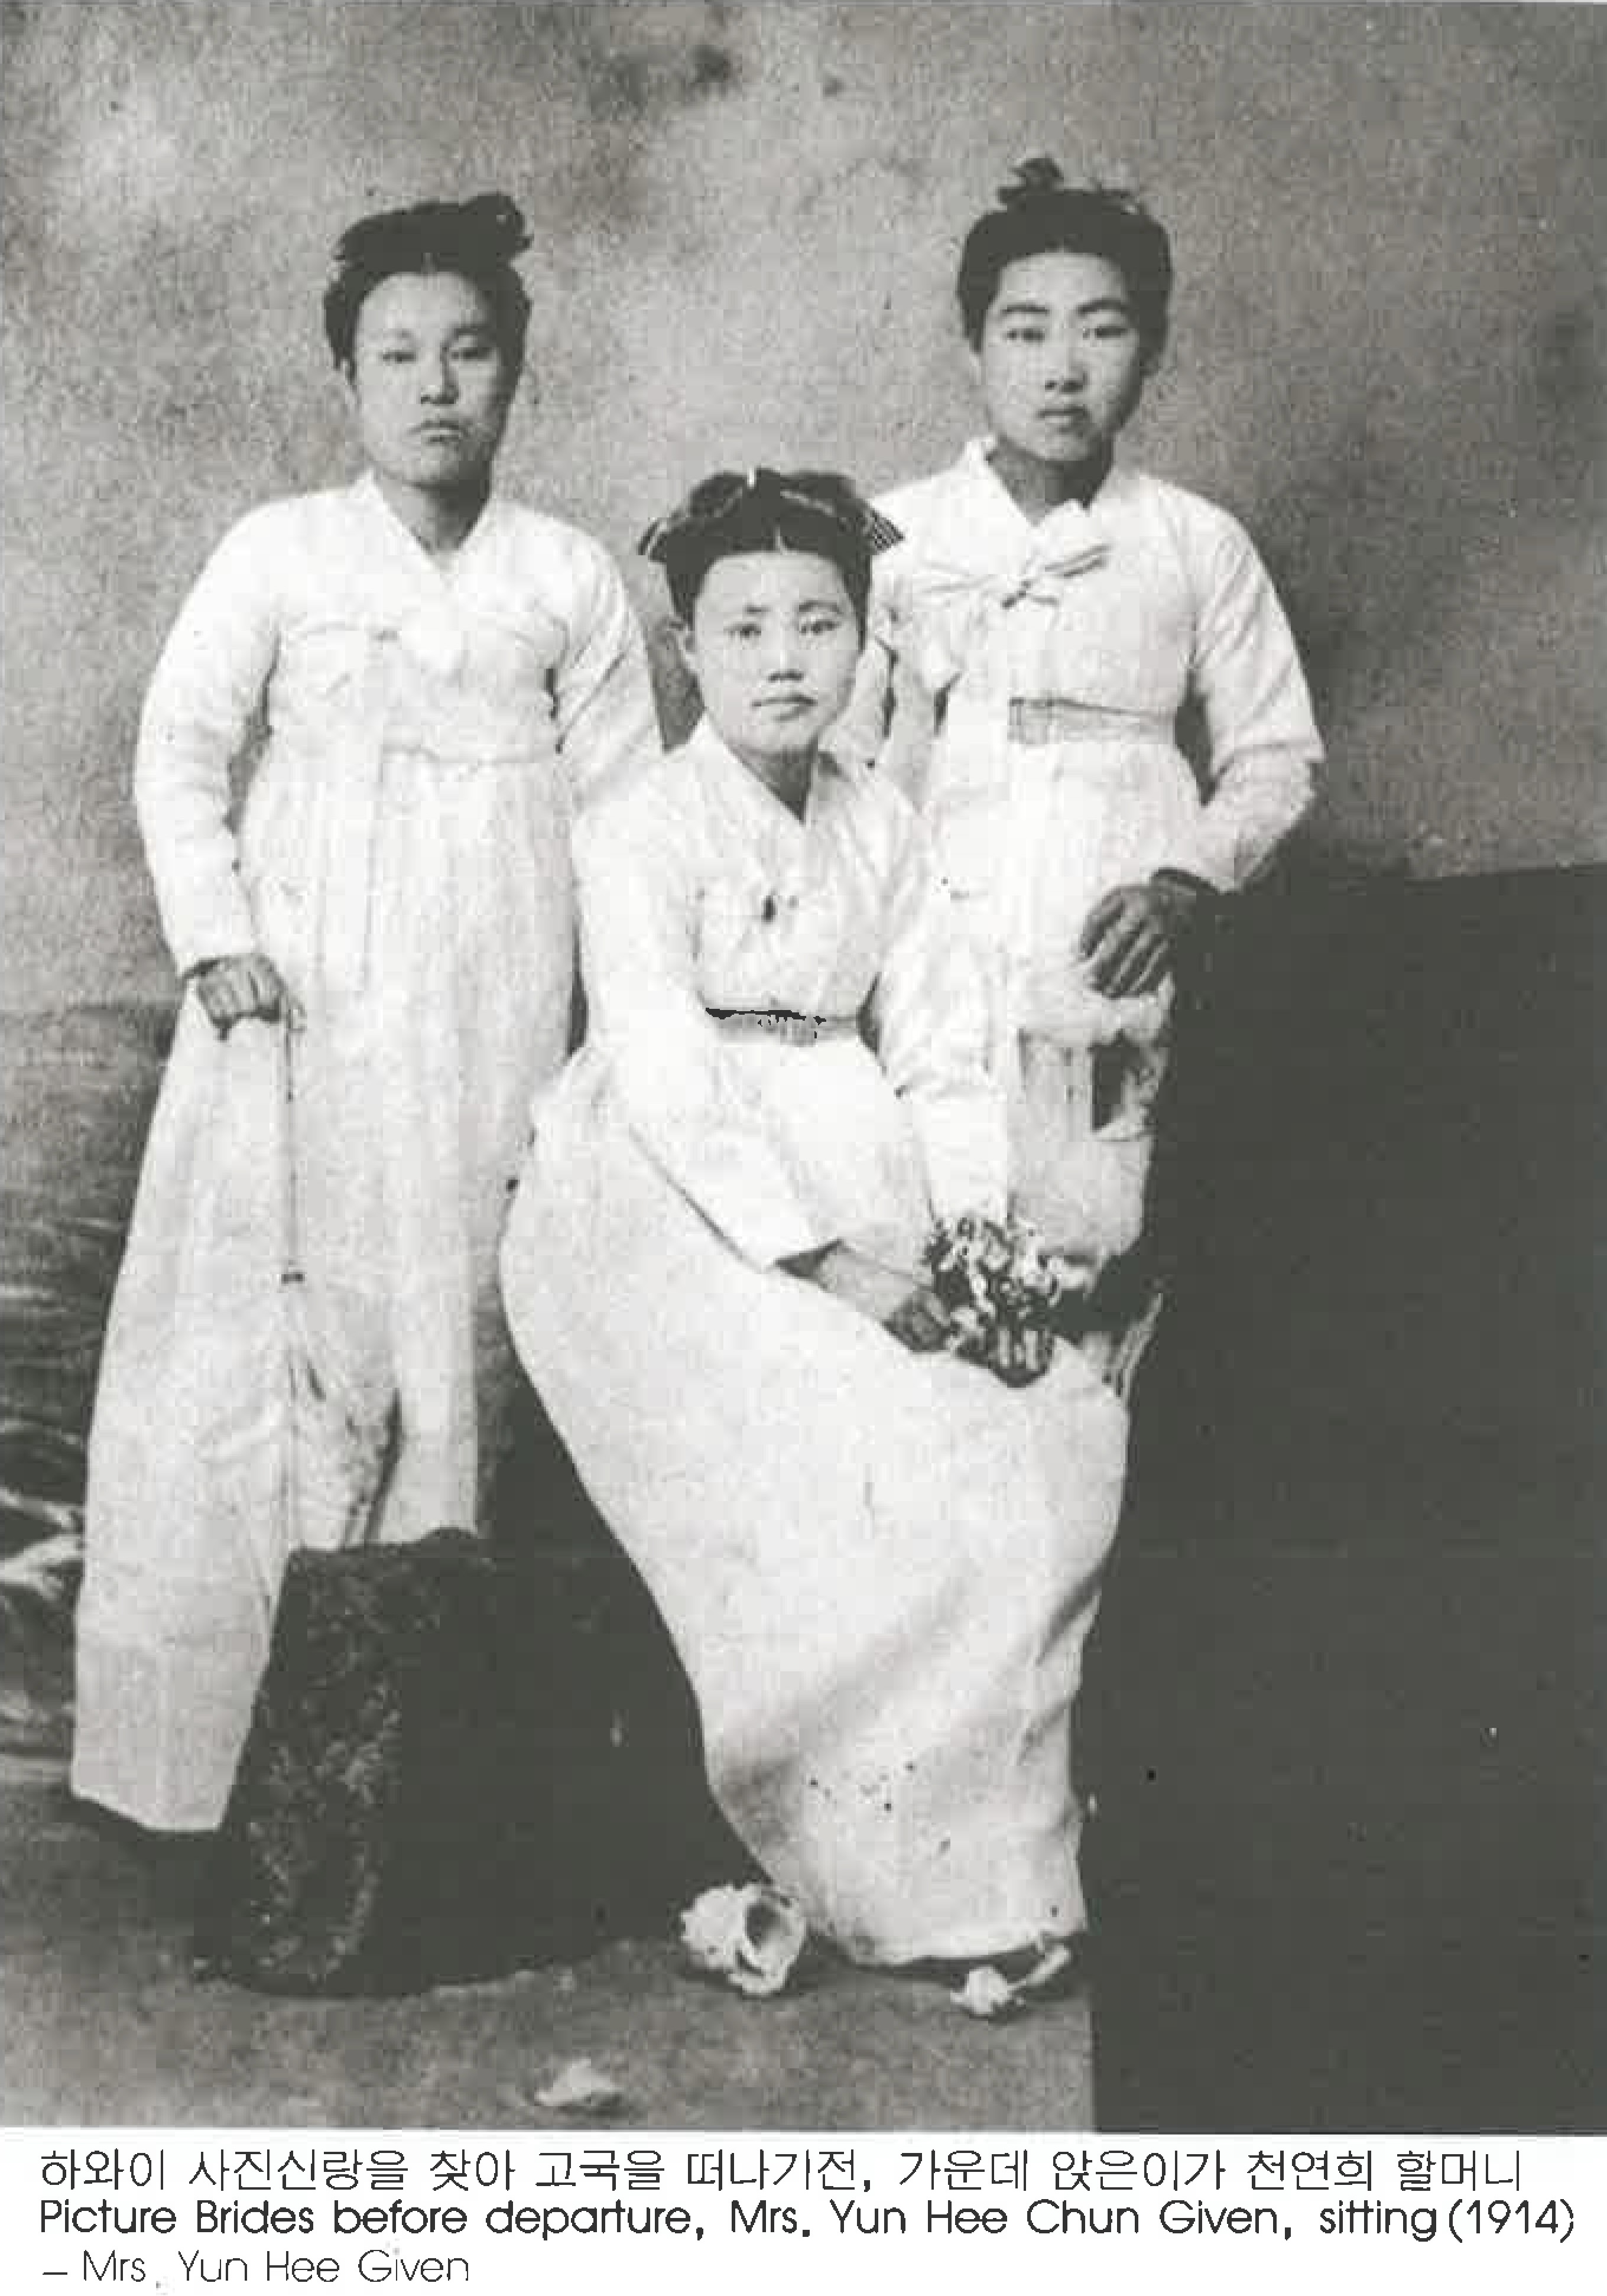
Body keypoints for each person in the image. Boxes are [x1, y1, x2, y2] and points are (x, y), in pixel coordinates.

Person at [72, 194, 658, 1835]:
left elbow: (627, 822)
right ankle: (247, 1760)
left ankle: (424, 1773)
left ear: (516, 372)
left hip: (499, 997)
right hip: (314, 1005)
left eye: (469, 352)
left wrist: (623, 1034)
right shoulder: (280, 551)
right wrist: (217, 938)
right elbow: (183, 748)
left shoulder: (566, 575)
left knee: (463, 1318)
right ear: (346, 376)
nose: (435, 386)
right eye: (397, 355)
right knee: (302, 1332)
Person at [499, 469, 1129, 1975]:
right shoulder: (637, 827)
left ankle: (983, 1870)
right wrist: (829, 1264)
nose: (784, 660)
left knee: (1041, 1426)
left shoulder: (879, 825)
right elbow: (664, 1063)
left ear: (861, 639)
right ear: (688, 649)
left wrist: (969, 1243)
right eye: (744, 629)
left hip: (861, 1166)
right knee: (851, 1432)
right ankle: (863, 1856)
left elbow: (941, 1054)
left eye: (818, 623)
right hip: (668, 1203)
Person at [838, 159, 1322, 1324]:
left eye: (1102, 329)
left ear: (1151, 350)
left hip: (1105, 935)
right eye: (1025, 330)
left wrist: (1183, 885)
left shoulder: (1194, 542)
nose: (1062, 367)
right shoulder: (893, 535)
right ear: (973, 346)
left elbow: (1274, 756)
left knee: (1091, 1234)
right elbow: (835, 759)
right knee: (925, 1228)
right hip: (935, 924)